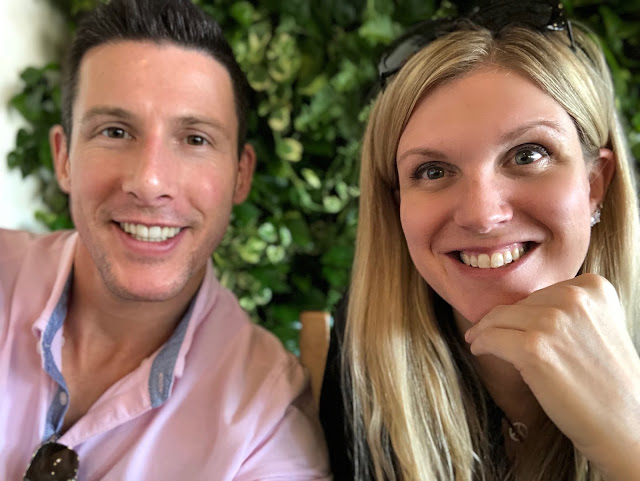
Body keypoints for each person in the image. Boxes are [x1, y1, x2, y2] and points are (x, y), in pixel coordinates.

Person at [0, 0, 331, 479]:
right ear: (64, 157)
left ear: (240, 176)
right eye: (115, 131)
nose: (150, 181)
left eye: (195, 139)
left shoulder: (265, 422)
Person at [319, 1, 640, 480]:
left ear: (595, 183)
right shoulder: (364, 353)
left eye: (528, 155)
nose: (482, 216)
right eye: (433, 171)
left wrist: (629, 440)